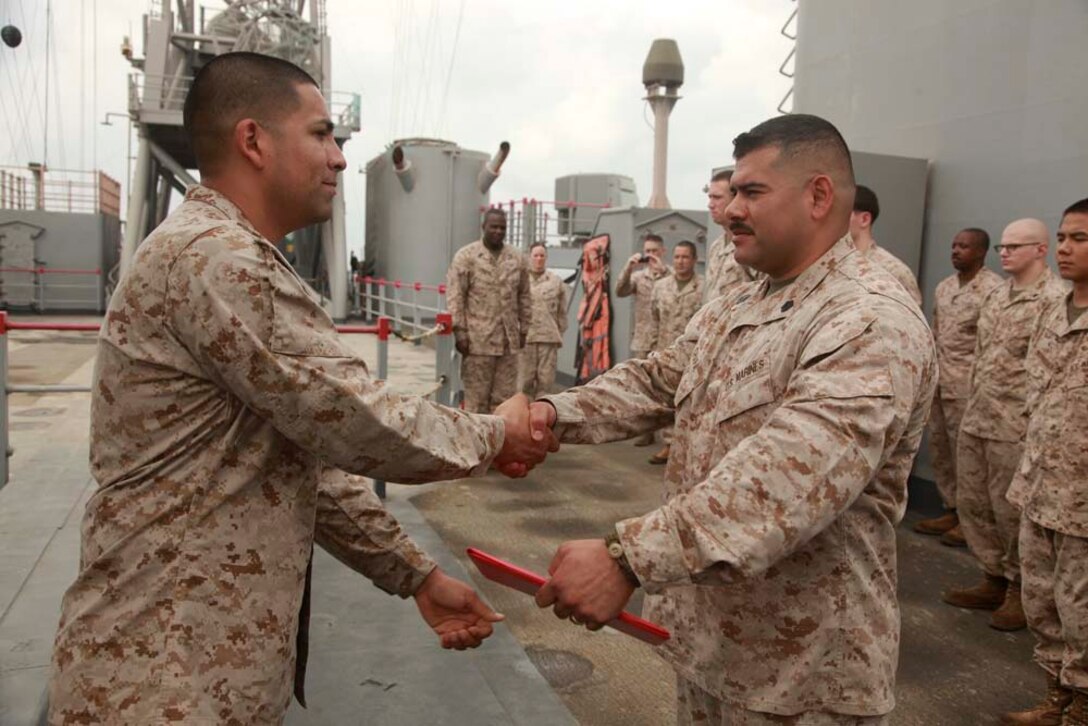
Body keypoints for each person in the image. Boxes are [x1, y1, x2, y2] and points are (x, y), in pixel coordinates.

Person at [46, 53, 556, 725]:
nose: (340, 159)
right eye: (320, 134)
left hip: (191, 669)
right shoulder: (215, 257)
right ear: (253, 141)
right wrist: (499, 431)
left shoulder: (225, 253)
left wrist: (416, 573)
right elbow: (357, 417)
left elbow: (299, 458)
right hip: (161, 679)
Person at [527, 114, 936, 724]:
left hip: (805, 676)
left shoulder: (871, 319)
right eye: (732, 192)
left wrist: (626, 558)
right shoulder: (748, 298)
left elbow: (786, 480)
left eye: (752, 193)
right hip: (712, 645)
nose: (728, 211)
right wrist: (550, 413)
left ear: (819, 196)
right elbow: (662, 377)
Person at [942, 218, 1065, 632]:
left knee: (1011, 512)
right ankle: (992, 577)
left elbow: (1048, 371)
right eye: (1003, 247)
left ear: (1040, 250)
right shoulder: (995, 296)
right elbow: (981, 355)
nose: (1006, 252)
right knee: (975, 503)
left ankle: (1019, 588)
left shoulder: (1054, 300)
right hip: (979, 414)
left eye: (1015, 246)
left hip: (1016, 424)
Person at [1002, 198, 1088, 725]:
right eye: (1061, 237)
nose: (1065, 248)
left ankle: (1083, 706)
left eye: (1079, 238)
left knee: (1083, 611)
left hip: (1082, 501)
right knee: (1042, 602)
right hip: (1039, 484)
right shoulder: (1051, 307)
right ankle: (1056, 694)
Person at [914, 229, 1002, 542]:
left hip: (968, 385)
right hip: (940, 381)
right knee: (941, 449)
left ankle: (971, 521)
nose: (955, 251)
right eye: (953, 245)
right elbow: (935, 332)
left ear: (980, 252)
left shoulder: (993, 289)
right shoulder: (945, 287)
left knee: (968, 458)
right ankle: (950, 507)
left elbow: (992, 342)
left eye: (963, 246)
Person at [446, 208, 532, 413]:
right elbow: (455, 296)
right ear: (483, 227)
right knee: (476, 403)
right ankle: (476, 444)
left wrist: (524, 329)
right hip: (477, 344)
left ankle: (499, 444)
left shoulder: (516, 258)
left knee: (504, 403)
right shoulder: (466, 257)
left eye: (502, 227)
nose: (498, 231)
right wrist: (460, 332)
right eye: (494, 226)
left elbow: (525, 296)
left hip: (508, 345)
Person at [646, 240, 703, 465]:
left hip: (695, 353)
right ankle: (669, 445)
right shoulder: (661, 286)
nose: (680, 261)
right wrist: (652, 349)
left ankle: (691, 447)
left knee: (693, 400)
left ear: (694, 260)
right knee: (668, 399)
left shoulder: (703, 287)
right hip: (666, 349)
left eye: (685, 257)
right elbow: (654, 319)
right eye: (677, 257)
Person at [615, 233, 670, 446]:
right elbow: (620, 290)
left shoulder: (670, 275)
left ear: (663, 252)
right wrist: (629, 266)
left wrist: (662, 270)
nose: (652, 255)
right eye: (648, 252)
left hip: (665, 339)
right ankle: (646, 431)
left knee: (665, 388)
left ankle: (667, 438)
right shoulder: (639, 278)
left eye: (655, 251)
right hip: (643, 338)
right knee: (643, 387)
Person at [849, 184, 924, 306]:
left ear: (864, 219)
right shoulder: (833, 265)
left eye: (842, 213)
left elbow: (908, 322)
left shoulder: (893, 271)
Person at [519, 242, 568, 398]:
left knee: (545, 386)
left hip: (548, 340)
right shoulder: (520, 281)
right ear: (529, 257)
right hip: (525, 340)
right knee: (523, 385)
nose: (539, 259)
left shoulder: (556, 282)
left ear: (546, 258)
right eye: (536, 255)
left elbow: (562, 313)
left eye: (542, 256)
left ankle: (541, 420)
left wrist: (556, 331)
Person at [704, 169, 759, 303]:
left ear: (735, 198)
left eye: (717, 197)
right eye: (709, 197)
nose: (710, 205)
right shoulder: (716, 247)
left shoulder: (752, 243)